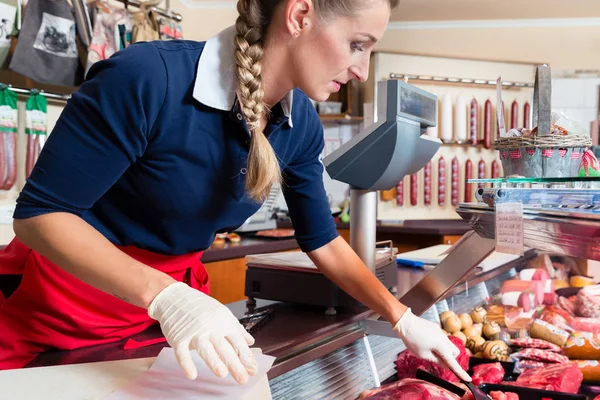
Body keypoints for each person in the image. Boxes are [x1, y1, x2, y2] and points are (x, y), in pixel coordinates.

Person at [0, 0, 470, 386]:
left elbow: (322, 241)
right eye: (357, 45)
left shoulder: (299, 121)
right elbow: (41, 215)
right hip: (64, 302)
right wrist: (168, 298)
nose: (362, 70)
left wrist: (401, 318)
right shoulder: (147, 78)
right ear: (300, 15)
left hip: (169, 313)